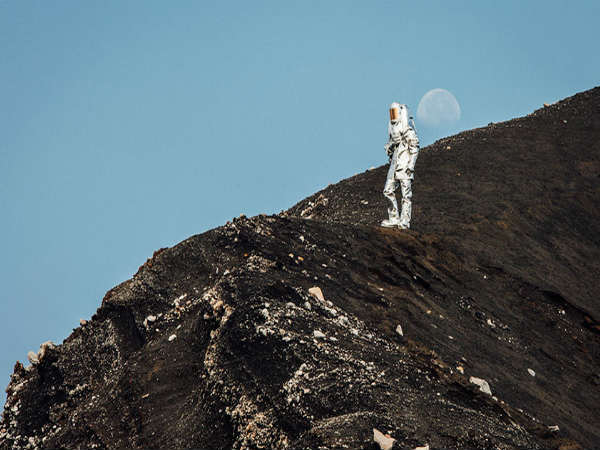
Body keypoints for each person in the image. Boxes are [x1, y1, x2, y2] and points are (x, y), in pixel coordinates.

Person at [381, 102, 420, 229]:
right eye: (391, 113)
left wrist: (411, 165)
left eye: (394, 112)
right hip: (394, 164)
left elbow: (414, 147)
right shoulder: (392, 129)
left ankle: (404, 222)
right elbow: (391, 145)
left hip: (404, 166)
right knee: (388, 190)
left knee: (406, 195)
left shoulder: (406, 129)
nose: (392, 116)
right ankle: (394, 218)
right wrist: (389, 148)